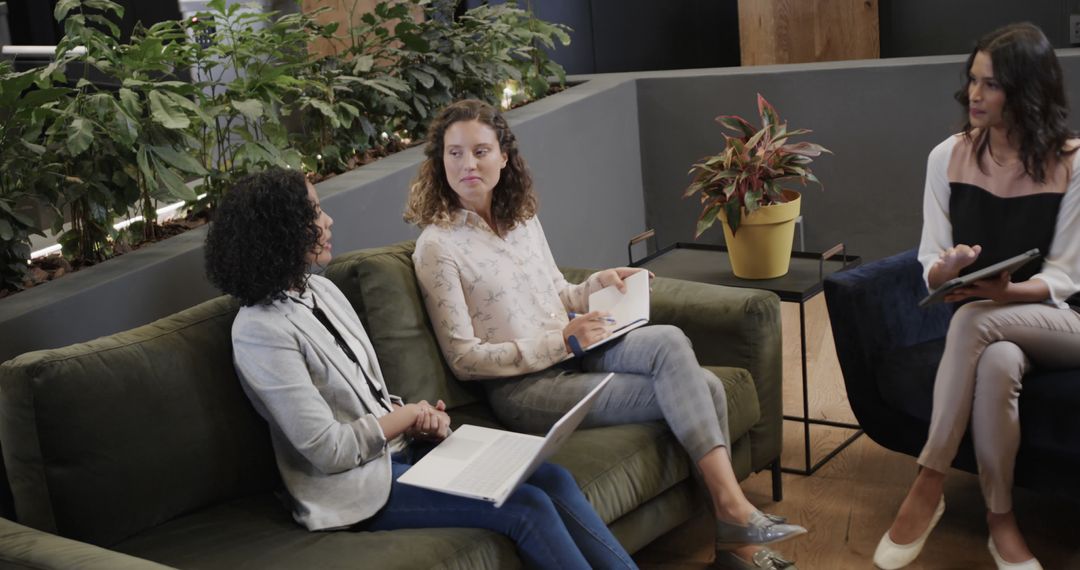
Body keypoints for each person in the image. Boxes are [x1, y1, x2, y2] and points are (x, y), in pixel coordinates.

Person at [405, 99, 806, 570]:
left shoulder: (520, 218)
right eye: (454, 153)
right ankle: (736, 531)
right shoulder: (438, 247)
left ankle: (732, 524)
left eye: (480, 150)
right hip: (527, 389)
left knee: (670, 339)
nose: (467, 164)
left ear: (504, 156)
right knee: (708, 385)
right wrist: (562, 342)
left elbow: (557, 291)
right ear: (439, 162)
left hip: (577, 354)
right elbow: (464, 359)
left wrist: (599, 284)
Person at [203, 168, 638, 570]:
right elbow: (327, 449)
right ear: (280, 230)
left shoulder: (321, 290)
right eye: (314, 211)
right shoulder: (259, 331)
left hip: (401, 453)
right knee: (525, 506)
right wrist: (405, 417)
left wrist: (415, 418)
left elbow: (363, 398)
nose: (328, 221)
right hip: (356, 489)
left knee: (550, 477)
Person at [874, 23, 1080, 570]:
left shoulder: (1073, 162)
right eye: (972, 81)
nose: (974, 95)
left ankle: (928, 481)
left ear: (1027, 91)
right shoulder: (946, 157)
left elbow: (1065, 276)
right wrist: (947, 271)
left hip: (1064, 320)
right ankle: (1001, 521)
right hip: (999, 325)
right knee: (997, 361)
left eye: (990, 85)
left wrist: (1008, 290)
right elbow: (929, 261)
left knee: (974, 322)